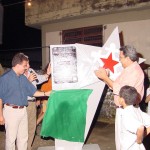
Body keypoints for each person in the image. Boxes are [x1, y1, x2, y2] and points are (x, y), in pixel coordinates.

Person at [94, 45, 144, 150]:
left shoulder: (134, 71)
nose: (119, 60)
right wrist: (105, 77)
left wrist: (105, 77)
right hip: (124, 109)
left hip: (128, 109)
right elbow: (117, 83)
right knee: (121, 142)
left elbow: (122, 90)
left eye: (121, 57)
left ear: (128, 58)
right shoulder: (129, 69)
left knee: (126, 143)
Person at [0, 53, 51, 150]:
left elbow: (33, 91)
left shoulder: (22, 78)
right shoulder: (5, 78)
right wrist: (0, 115)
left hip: (23, 110)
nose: (26, 68)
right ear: (17, 65)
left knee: (23, 138)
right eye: (25, 66)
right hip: (11, 111)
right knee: (11, 140)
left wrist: (46, 93)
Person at [24, 60, 51, 150]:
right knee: (23, 128)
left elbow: (39, 79)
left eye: (28, 63)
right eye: (26, 64)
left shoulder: (31, 70)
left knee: (32, 128)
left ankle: (28, 147)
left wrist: (47, 74)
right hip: (23, 103)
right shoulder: (18, 75)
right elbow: (19, 89)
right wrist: (28, 81)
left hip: (32, 102)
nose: (29, 65)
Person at [118, 85, 150, 150]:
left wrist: (139, 140)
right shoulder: (137, 110)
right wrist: (143, 135)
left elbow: (140, 127)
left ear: (121, 100)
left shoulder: (126, 114)